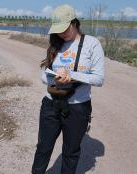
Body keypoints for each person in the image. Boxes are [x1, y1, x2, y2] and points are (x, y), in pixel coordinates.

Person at [32, 4, 105, 174]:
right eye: (58, 30)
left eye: (65, 29)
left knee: (70, 152)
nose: (61, 33)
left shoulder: (92, 44)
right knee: (43, 147)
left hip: (77, 107)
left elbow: (99, 79)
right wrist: (53, 77)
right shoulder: (56, 44)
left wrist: (72, 75)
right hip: (51, 104)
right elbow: (44, 74)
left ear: (75, 23)